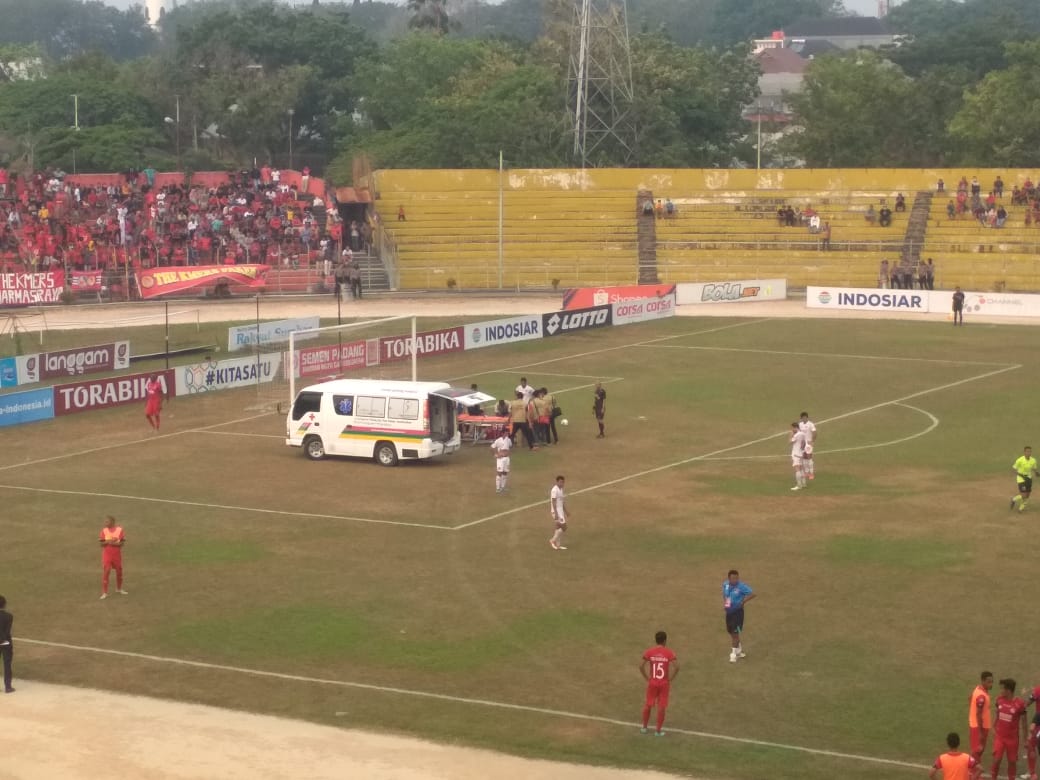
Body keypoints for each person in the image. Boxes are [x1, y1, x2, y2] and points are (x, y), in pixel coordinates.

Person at [640, 630, 679, 736]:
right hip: (664, 683)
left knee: (648, 704)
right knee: (661, 707)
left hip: (652, 682)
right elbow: (677, 667)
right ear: (665, 641)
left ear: (656, 640)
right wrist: (670, 679)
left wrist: (647, 678)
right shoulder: (668, 652)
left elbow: (641, 666)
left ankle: (644, 727)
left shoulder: (650, 652)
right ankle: (658, 731)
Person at [991, 678, 1027, 780]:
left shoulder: (1019, 704)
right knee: (996, 760)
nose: (1001, 691)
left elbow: (1024, 722)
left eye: (1002, 689)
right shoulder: (999, 700)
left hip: (1012, 739)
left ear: (1008, 690)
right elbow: (997, 715)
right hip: (1000, 737)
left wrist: (1025, 740)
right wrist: (993, 727)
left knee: (1012, 762)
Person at [722, 569, 755, 663]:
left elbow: (752, 594)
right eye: (733, 578)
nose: (735, 580)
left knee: (735, 633)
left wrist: (743, 602)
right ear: (729, 578)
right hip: (729, 612)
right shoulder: (725, 584)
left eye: (736, 578)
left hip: (738, 613)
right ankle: (739, 651)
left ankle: (733, 655)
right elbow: (725, 595)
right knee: (731, 633)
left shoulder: (741, 586)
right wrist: (726, 604)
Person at [99, 515, 128, 599]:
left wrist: (114, 543)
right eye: (105, 522)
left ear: (112, 522)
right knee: (107, 571)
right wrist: (108, 542)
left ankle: (119, 589)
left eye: (107, 522)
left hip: (116, 555)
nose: (105, 523)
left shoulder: (119, 530)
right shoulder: (104, 531)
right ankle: (105, 592)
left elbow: (122, 543)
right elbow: (101, 544)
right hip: (107, 555)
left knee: (119, 571)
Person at [969, 671, 995, 761]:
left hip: (979, 725)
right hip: (979, 727)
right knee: (977, 751)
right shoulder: (981, 696)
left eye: (992, 682)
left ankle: (974, 767)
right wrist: (980, 732)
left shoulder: (978, 689)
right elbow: (978, 714)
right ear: (983, 681)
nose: (991, 684)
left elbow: (970, 698)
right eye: (988, 682)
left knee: (979, 750)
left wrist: (972, 710)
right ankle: (974, 769)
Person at [1011, 445, 1037, 513]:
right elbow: (1014, 469)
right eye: (1027, 451)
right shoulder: (1020, 460)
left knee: (1028, 494)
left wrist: (1037, 473)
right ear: (1024, 452)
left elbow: (1034, 468)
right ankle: (1014, 499)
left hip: (1029, 478)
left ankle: (1021, 508)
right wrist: (1021, 475)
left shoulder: (1033, 460)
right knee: (1023, 495)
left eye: (1030, 451)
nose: (1029, 453)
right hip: (1021, 479)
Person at [549, 475, 569, 550]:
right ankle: (552, 540)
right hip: (556, 512)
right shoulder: (554, 490)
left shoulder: (561, 489)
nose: (562, 483)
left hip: (560, 511)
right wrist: (556, 513)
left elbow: (561, 502)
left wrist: (566, 511)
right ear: (557, 482)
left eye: (563, 482)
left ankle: (558, 545)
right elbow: (553, 502)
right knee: (564, 527)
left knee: (558, 527)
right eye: (560, 482)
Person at [491, 429, 512, 494]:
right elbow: (492, 447)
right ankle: (498, 488)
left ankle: (503, 487)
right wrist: (496, 454)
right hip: (500, 459)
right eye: (505, 433)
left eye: (507, 433)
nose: (507, 434)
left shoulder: (509, 440)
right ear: (502, 433)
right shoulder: (498, 440)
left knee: (505, 472)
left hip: (507, 458)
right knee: (499, 473)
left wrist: (508, 453)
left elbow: (510, 447)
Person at [799, 411, 817, 482]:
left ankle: (811, 473)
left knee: (809, 457)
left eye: (805, 417)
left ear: (807, 417)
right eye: (802, 418)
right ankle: (806, 472)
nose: (804, 419)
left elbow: (815, 433)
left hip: (808, 443)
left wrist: (812, 441)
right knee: (804, 458)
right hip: (802, 443)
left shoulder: (811, 424)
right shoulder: (800, 424)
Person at [789, 422, 807, 491]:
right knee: (801, 469)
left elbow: (790, 442)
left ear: (795, 427)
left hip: (796, 454)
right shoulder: (803, 434)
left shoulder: (796, 435)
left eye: (792, 428)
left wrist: (791, 435)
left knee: (797, 469)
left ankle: (799, 485)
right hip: (801, 453)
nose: (791, 430)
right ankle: (804, 483)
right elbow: (804, 443)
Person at [0, 595, 12, 693]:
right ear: (4, 605)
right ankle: (8, 687)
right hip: (6, 643)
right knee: (7, 664)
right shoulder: (9, 616)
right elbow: (7, 631)